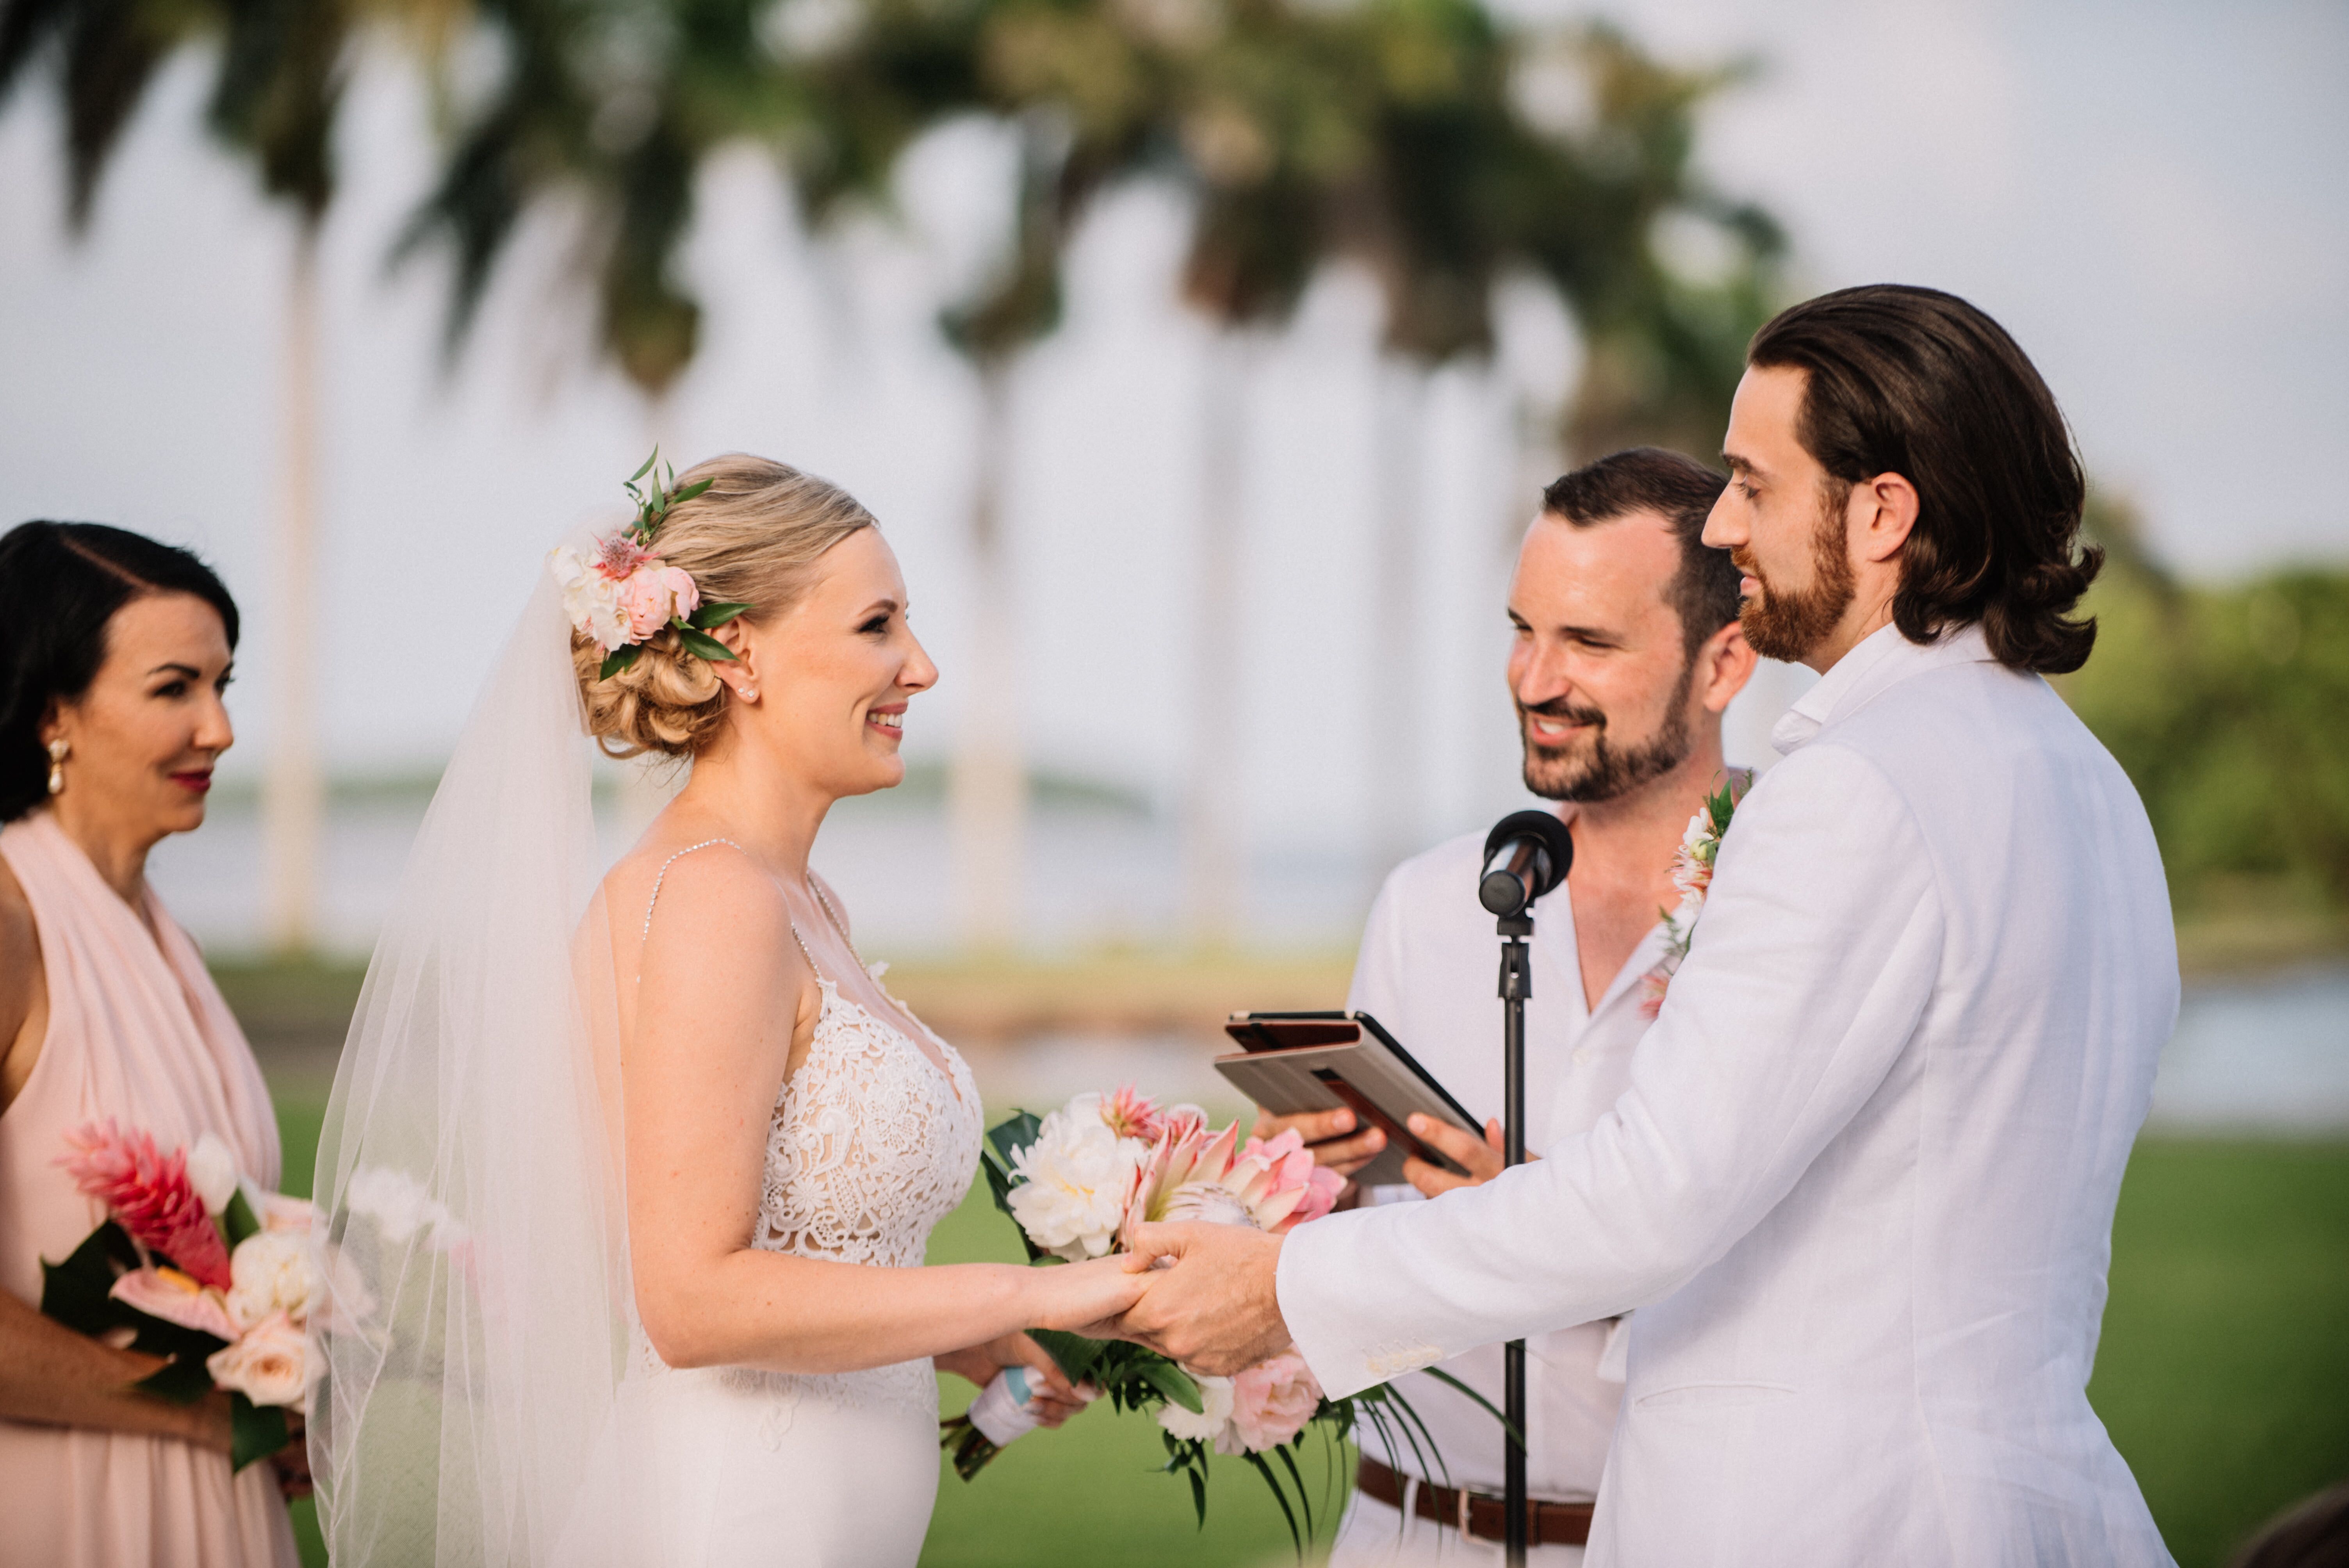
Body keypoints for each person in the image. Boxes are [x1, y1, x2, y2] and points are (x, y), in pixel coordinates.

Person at [1118, 284, 2180, 1566]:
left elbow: (1654, 1199)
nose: (1727, 526)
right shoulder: (2091, 788)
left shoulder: (1854, 785)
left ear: (1884, 513)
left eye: (1754, 484)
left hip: (1830, 1519)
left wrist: (1287, 1289)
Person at [312, 455, 1145, 1568]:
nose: (922, 667)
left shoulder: (799, 901)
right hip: (741, 1523)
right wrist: (1034, 1287)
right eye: (878, 626)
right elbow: (688, 1298)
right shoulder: (716, 902)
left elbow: (781, 1238)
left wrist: (970, 1336)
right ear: (741, 653)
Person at [1253, 448, 1754, 1565]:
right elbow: (1367, 1251)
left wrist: (1527, 1224)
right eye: (1522, 630)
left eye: (1589, 642)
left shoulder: (1787, 917)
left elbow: (1808, 1291)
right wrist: (1301, 1185)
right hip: (1406, 1535)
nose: (1534, 678)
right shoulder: (1428, 904)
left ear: (1727, 663)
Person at [0, 521, 306, 1567]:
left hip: (214, 1509)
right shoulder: (10, 924)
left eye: (225, 685)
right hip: (67, 1508)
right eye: (175, 688)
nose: (219, 729)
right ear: (53, 709)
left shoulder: (158, 929)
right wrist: (206, 1414)